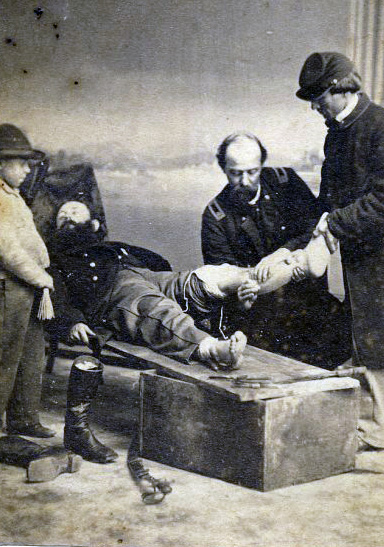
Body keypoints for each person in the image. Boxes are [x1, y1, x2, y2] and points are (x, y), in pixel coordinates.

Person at [201, 132, 351, 365]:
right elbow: (218, 275)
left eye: (252, 171)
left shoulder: (286, 182)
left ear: (261, 165)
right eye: (236, 173)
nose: (245, 181)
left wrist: (283, 253)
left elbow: (315, 225)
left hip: (308, 301)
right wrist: (241, 297)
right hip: (260, 316)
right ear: (223, 169)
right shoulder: (215, 216)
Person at [296, 51, 384, 448]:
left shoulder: (380, 126)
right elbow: (330, 195)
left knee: (379, 336)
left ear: (337, 89)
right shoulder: (336, 131)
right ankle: (375, 418)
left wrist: (334, 223)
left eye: (318, 98)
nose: (315, 107)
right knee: (367, 333)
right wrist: (313, 230)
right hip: (360, 256)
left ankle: (380, 430)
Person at [0, 124, 55, 438]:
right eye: (19, 163)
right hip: (10, 288)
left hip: (28, 288)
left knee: (32, 355)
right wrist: (42, 277)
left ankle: (24, 419)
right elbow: (8, 251)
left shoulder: (12, 195)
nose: (26, 169)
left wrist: (39, 279)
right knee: (5, 357)